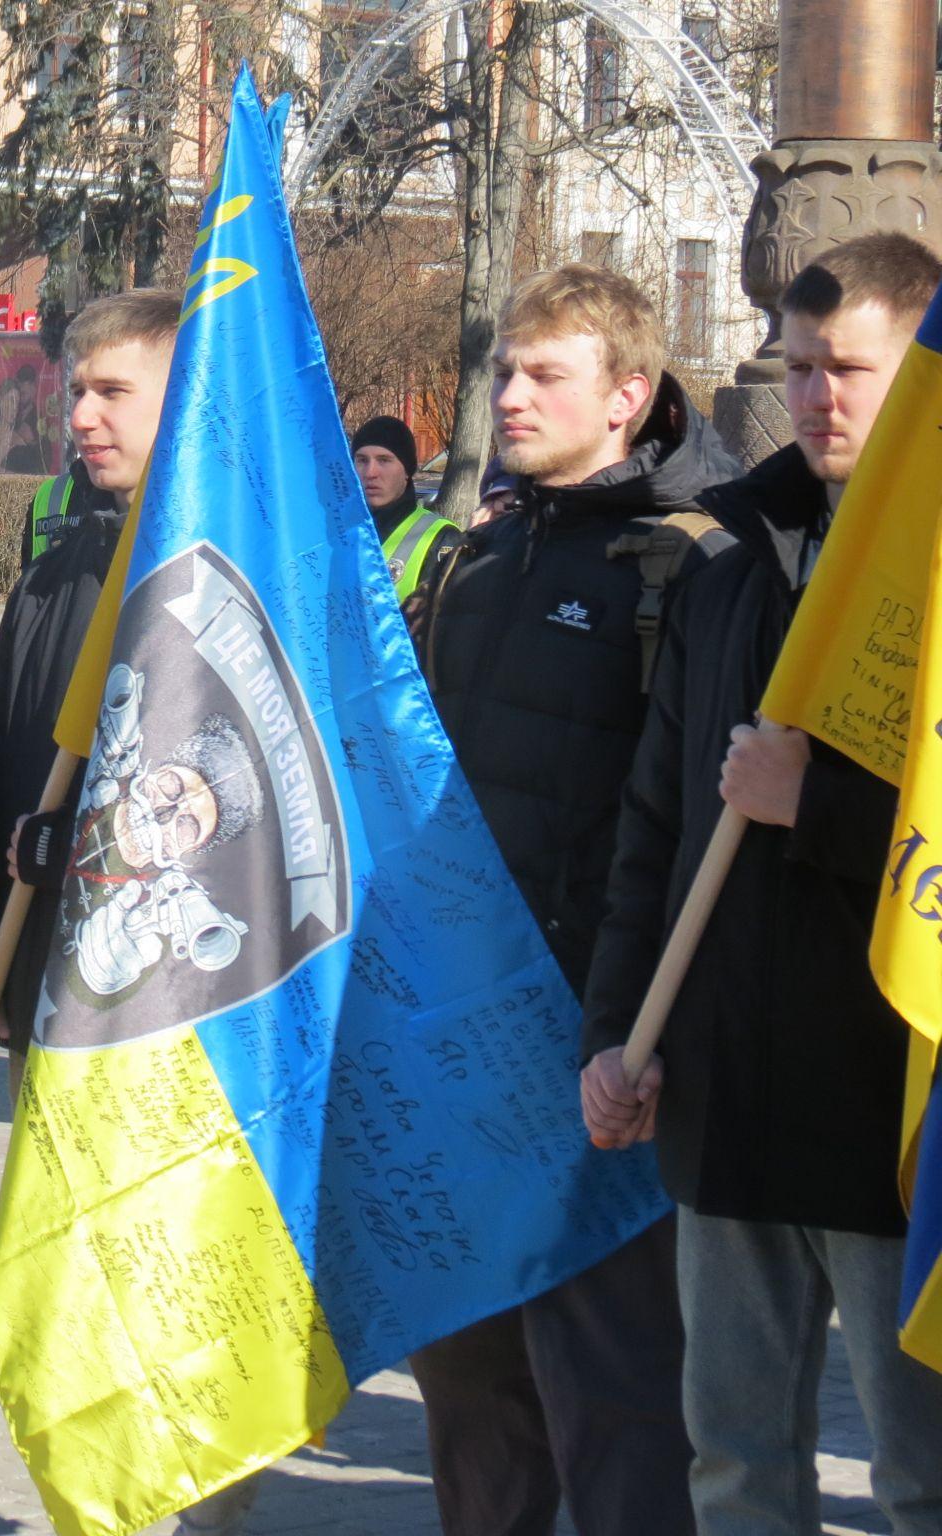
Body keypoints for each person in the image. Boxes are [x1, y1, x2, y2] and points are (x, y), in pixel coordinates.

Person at [582, 232, 942, 1535]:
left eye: (849, 367)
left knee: (917, 1481)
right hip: (727, 1100)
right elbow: (657, 825)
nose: (815, 398)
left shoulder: (939, 565)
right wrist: (621, 1031)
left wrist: (824, 811)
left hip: (891, 1112)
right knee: (734, 1463)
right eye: (798, 368)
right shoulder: (727, 554)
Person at [409, 263, 737, 1536]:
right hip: (461, 1029)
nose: (509, 395)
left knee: (608, 1390)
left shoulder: (680, 567)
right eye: (503, 370)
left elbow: (673, 828)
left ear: (626, 397)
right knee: (467, 1373)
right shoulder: (472, 561)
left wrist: (625, 1029)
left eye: (544, 374)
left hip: (598, 1040)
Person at [0, 289, 178, 1100]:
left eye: (114, 394)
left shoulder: (228, 594)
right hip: (42, 993)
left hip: (169, 1015)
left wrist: (83, 850)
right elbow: (5, 783)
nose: (82, 417)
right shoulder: (50, 582)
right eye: (78, 392)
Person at [350, 414, 459, 600]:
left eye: (384, 460)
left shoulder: (440, 538)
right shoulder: (335, 531)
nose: (370, 473)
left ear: (407, 471)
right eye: (362, 460)